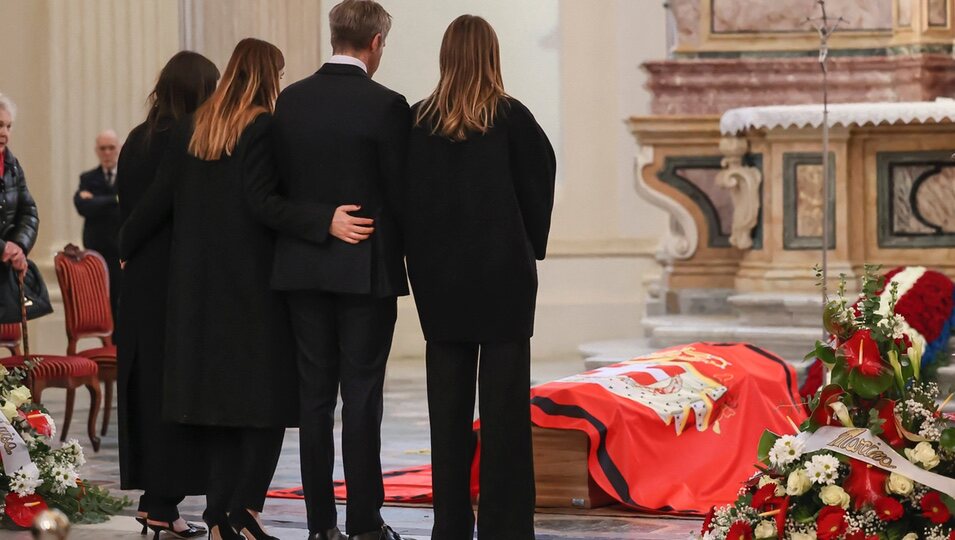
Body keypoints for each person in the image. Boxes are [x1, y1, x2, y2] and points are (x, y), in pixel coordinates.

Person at [121, 38, 329, 540]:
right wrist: (322, 220)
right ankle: (236, 512)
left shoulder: (193, 127)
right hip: (250, 290)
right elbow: (263, 204)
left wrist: (124, 243)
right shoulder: (261, 126)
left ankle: (219, 518)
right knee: (264, 406)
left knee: (215, 409)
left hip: (193, 292)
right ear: (265, 77)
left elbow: (158, 201)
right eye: (277, 76)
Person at [404, 15, 556, 540]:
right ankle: (505, 526)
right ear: (492, 55)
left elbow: (405, 201)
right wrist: (529, 245)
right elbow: (539, 184)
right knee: (505, 413)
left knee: (445, 413)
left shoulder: (417, 120)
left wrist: (417, 256)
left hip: (439, 282)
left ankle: (449, 524)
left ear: (445, 56)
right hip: (503, 280)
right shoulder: (512, 118)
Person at [269, 1, 409, 538]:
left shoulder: (291, 101)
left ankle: (320, 525)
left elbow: (273, 191)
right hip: (365, 274)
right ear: (375, 42)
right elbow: (400, 197)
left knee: (314, 401)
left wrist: (317, 222)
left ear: (334, 36)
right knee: (363, 399)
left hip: (302, 270)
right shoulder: (388, 105)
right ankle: (365, 524)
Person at [115, 51, 219, 539]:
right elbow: (170, 208)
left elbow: (127, 204)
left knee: (146, 390)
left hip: (139, 281)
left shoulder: (137, 138)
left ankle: (154, 500)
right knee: (172, 392)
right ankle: (162, 506)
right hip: (171, 280)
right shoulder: (185, 137)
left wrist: (126, 247)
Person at [74, 130, 122, 318]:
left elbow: (128, 207)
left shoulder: (126, 175)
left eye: (111, 148)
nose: (107, 153)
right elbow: (83, 207)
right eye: (103, 148)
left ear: (118, 149)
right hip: (97, 250)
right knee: (99, 305)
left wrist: (97, 200)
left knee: (120, 302)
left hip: (119, 251)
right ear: (97, 150)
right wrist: (115, 199)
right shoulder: (88, 178)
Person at [0, 93, 38, 279]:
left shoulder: (12, 165)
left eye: (9, 126)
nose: (4, 133)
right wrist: (3, 247)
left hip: (5, 267)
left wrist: (19, 246)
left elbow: (29, 212)